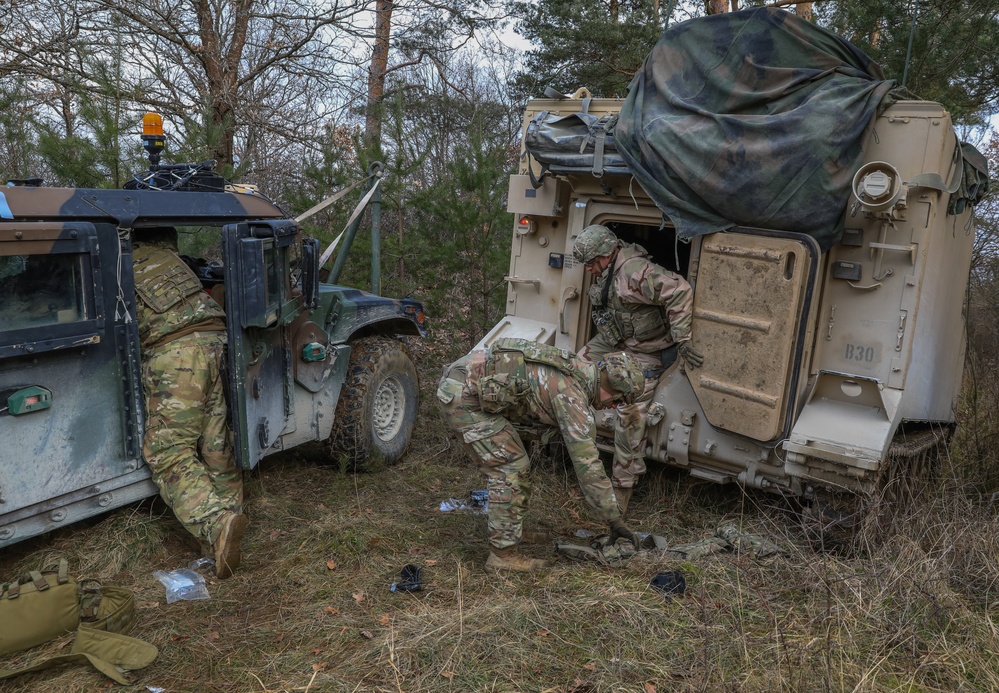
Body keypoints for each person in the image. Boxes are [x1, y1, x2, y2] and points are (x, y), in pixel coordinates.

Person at [437, 338, 644, 573]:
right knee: (510, 469)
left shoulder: (579, 369)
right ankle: (502, 556)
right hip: (464, 397)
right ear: (610, 386)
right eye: (617, 399)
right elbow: (588, 467)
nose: (612, 406)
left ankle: (510, 531)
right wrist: (614, 520)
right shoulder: (571, 397)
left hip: (467, 382)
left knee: (517, 463)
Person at [131, 228, 247, 579]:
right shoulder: (169, 261)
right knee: (216, 443)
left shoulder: (115, 260)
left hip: (178, 352)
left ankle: (216, 525)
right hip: (216, 339)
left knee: (168, 451)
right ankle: (226, 530)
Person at [571, 224, 702, 516]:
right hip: (615, 340)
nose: (590, 269)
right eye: (587, 264)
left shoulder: (634, 272)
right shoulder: (609, 273)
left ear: (608, 253)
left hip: (646, 351)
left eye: (593, 262)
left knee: (630, 415)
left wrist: (682, 339)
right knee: (573, 370)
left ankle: (621, 490)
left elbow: (679, 290)